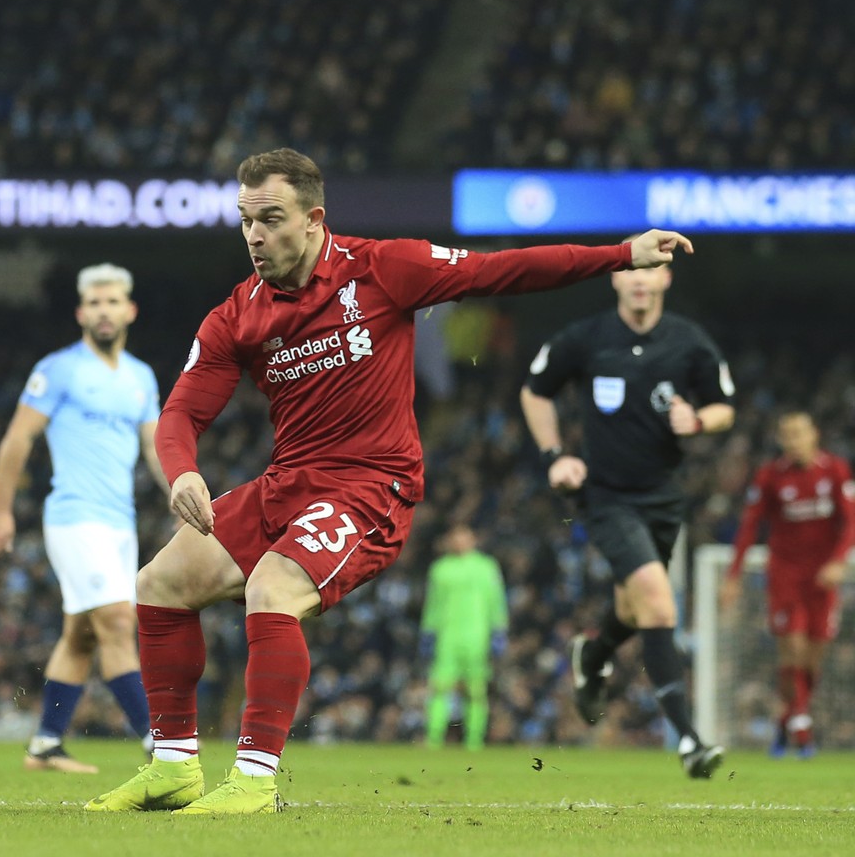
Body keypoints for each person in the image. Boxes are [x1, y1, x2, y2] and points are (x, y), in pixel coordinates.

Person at [85, 147, 693, 815]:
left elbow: (502, 270)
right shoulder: (238, 314)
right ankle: (173, 765)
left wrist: (618, 255)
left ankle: (256, 782)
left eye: (272, 218)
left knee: (272, 587)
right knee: (159, 583)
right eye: (246, 220)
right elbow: (181, 413)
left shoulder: (382, 269)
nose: (255, 235)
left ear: (315, 219)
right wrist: (183, 472)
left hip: (371, 488)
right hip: (287, 484)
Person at [520, 246, 734, 779]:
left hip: (663, 498)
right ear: (615, 280)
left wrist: (699, 420)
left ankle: (593, 657)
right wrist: (555, 456)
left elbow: (725, 405)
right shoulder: (587, 338)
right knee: (660, 607)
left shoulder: (688, 342)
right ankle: (689, 739)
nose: (640, 281)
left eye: (650, 271)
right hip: (606, 497)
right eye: (630, 271)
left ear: (666, 278)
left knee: (635, 609)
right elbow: (535, 392)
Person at [0, 263, 167, 774]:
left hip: (119, 523)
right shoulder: (59, 369)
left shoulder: (140, 377)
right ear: (81, 312)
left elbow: (154, 447)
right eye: (95, 303)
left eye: (113, 302)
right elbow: (18, 438)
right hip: (73, 517)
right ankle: (158, 744)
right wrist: (0, 509)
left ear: (129, 310)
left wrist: (181, 493)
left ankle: (44, 745)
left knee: (81, 634)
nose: (104, 311)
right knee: (114, 621)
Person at [720, 411, 854, 757]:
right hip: (785, 576)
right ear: (781, 440)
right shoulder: (771, 476)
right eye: (787, 435)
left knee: (812, 660)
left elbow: (851, 520)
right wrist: (733, 575)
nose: (793, 441)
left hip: (823, 578)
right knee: (792, 648)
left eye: (799, 433)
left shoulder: (835, 471)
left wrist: (838, 561)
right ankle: (803, 730)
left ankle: (786, 721)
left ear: (814, 435)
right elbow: (750, 525)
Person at [419, 523, 508, 750]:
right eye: (455, 537)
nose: (459, 541)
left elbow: (496, 600)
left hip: (477, 637)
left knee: (476, 690)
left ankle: (474, 741)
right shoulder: (440, 569)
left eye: (463, 537)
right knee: (440, 687)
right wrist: (428, 631)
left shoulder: (486, 567)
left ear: (473, 539)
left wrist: (499, 629)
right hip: (447, 637)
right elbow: (433, 604)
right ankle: (434, 738)